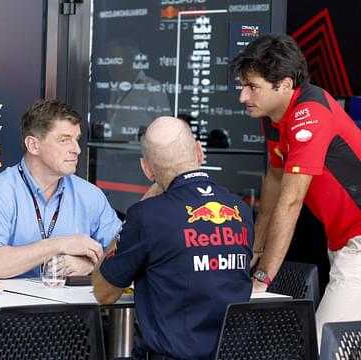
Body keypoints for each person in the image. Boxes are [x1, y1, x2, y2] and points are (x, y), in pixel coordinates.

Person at [230, 33, 361, 342]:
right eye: (242, 86)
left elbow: (290, 202)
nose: (243, 98)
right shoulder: (273, 115)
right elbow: (274, 181)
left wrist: (263, 277)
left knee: (321, 341)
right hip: (346, 240)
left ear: (285, 84)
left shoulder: (309, 113)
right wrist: (257, 248)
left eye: (253, 88)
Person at [93, 116, 254, 360]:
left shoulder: (147, 216)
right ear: (199, 151)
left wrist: (134, 217)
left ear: (146, 168)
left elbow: (104, 293)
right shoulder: (239, 209)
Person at [0, 99, 121, 346]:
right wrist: (60, 244)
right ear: (33, 145)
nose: (77, 149)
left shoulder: (89, 194)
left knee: (116, 341)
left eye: (77, 139)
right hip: (5, 317)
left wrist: (91, 264)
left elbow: (124, 251)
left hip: (74, 316)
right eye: (64, 140)